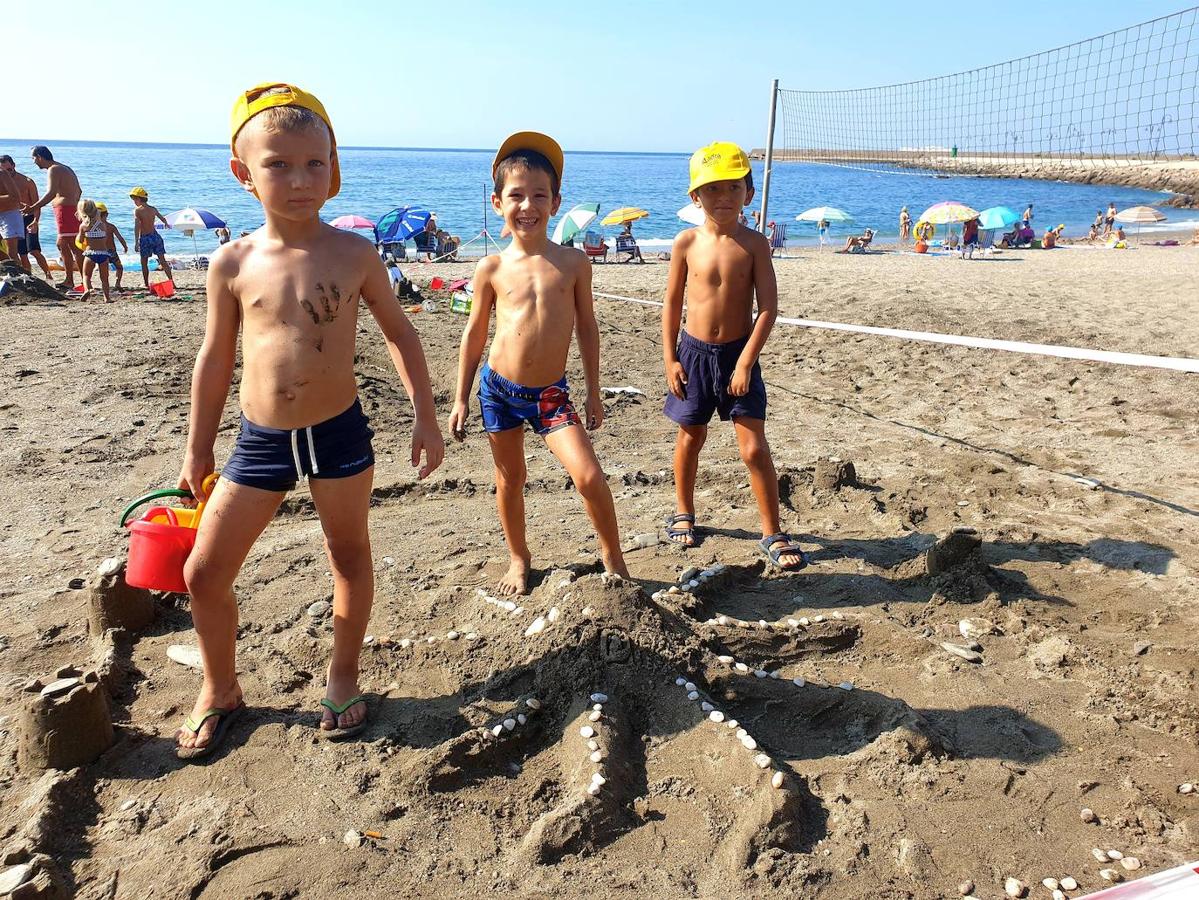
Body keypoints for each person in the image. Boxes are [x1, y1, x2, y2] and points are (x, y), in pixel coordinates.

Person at [173, 82, 444, 758]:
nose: (299, 179)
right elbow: (214, 358)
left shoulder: (354, 255)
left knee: (348, 555)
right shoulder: (230, 262)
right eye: (277, 164)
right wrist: (196, 449)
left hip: (338, 432)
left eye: (314, 163)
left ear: (334, 166)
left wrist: (425, 417)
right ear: (243, 173)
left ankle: (343, 676)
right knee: (204, 573)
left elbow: (401, 335)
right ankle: (220, 687)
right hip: (260, 439)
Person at [447, 131, 629, 597]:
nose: (527, 205)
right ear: (497, 202)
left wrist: (593, 390)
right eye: (516, 196)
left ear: (556, 201)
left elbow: (587, 329)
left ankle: (613, 557)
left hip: (551, 394)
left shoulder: (572, 264)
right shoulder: (490, 267)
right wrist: (460, 397)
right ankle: (518, 558)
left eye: (539, 196)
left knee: (588, 475)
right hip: (499, 391)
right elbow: (475, 334)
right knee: (511, 479)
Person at [661, 141, 806, 570]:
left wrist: (745, 362)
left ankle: (772, 530)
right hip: (694, 355)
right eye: (712, 189)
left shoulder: (756, 244)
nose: (723, 197)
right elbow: (671, 304)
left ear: (748, 192)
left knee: (753, 448)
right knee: (691, 435)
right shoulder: (686, 243)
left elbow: (768, 309)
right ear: (695, 196)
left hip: (739, 356)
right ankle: (684, 511)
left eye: (732, 187)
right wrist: (670, 358)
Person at [26, 146, 84, 289]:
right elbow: (79, 190)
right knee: (67, 245)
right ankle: (73, 280)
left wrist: (33, 208)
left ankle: (80, 280)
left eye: (33, 158)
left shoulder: (54, 169)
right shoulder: (65, 168)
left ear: (39, 157)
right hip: (70, 209)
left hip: (65, 210)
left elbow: (51, 193)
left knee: (67, 244)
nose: (34, 162)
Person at [1, 156, 52, 278]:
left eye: (9, 169)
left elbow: (36, 203)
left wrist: (36, 221)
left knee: (33, 251)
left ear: (14, 165)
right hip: (13, 216)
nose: (8, 172)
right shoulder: (3, 178)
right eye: (4, 169)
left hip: (27, 218)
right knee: (22, 253)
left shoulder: (27, 181)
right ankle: (26, 276)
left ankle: (48, 275)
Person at [129, 186, 173, 290]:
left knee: (144, 262)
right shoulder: (153, 209)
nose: (134, 202)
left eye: (135, 199)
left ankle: (145, 283)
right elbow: (162, 218)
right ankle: (172, 282)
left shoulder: (137, 211)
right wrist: (166, 223)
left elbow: (137, 226)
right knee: (163, 261)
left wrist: (136, 241)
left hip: (145, 238)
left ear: (139, 198)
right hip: (155, 236)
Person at [76, 199, 115, 302]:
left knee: (86, 275)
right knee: (104, 278)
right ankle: (107, 298)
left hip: (90, 253)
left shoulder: (84, 226)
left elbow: (80, 240)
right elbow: (105, 239)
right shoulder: (102, 225)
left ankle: (87, 289)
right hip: (103, 253)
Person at [96, 202, 128, 291]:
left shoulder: (94, 227)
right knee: (119, 267)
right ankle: (117, 283)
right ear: (106, 215)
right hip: (111, 252)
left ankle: (103, 285)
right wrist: (125, 246)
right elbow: (120, 238)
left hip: (101, 252)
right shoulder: (111, 226)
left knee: (103, 270)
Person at [0, 162, 24, 263]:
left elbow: (15, 196)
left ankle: (17, 277)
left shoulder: (2, 173)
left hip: (9, 215)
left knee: (12, 253)